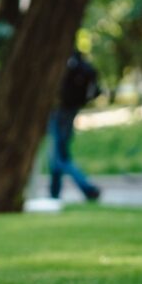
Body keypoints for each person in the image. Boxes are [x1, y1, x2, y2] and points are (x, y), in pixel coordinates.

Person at [49, 49, 101, 201]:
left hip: (60, 112)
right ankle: (54, 194)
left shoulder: (66, 61)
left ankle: (87, 188)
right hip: (70, 111)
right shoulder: (77, 61)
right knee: (58, 153)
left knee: (59, 157)